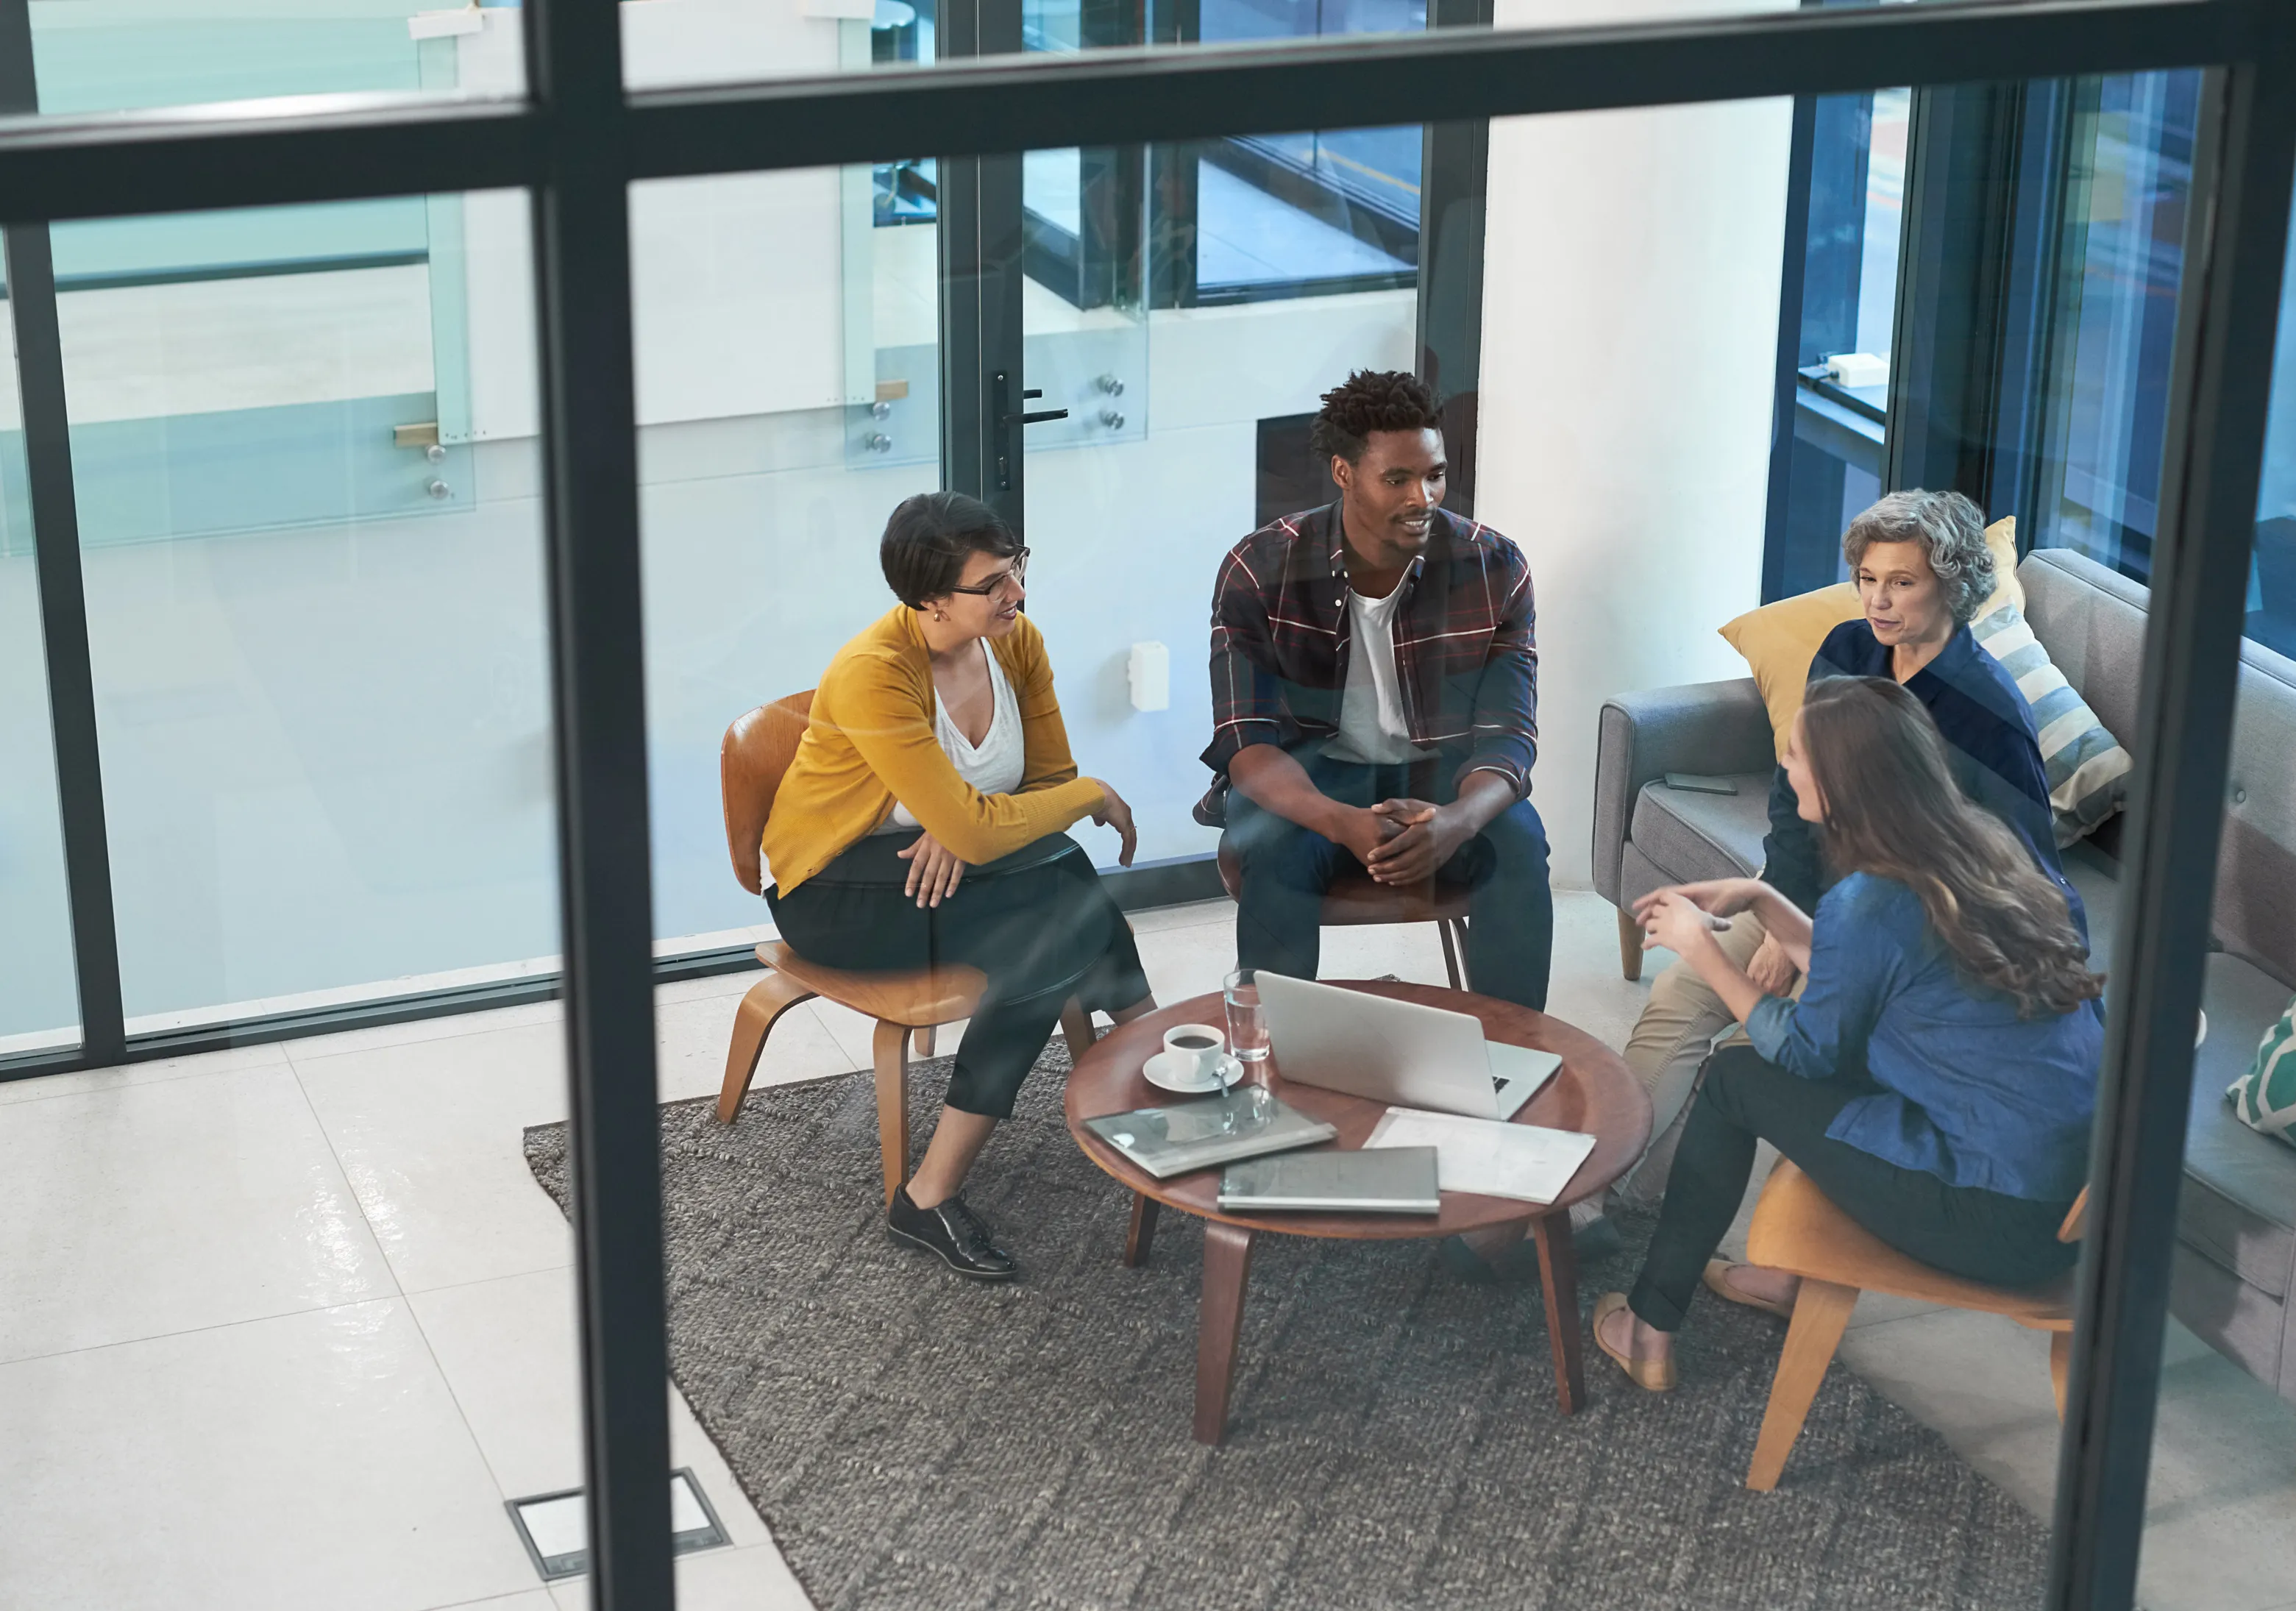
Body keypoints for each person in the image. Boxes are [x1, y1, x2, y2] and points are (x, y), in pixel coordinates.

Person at [1592, 673, 2103, 1391]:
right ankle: (1780, 1280)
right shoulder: (1979, 847)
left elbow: (1805, 1053)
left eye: (1795, 754)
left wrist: (1701, 948)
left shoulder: (1870, 899)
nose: (1785, 766)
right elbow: (1867, 982)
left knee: (1733, 1079)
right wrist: (1763, 900)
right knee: (1784, 1070)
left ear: (1837, 784)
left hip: (1996, 1217)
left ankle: (1649, 1328)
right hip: (2075, 1198)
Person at [1610, 488, 2080, 1217]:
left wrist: (1819, 948)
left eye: (1902, 582)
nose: (1878, 601)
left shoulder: (1990, 720)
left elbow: (2024, 875)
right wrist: (1782, 914)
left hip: (1901, 941)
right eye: (1867, 579)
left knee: (1765, 1049)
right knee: (1680, 998)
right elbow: (1793, 795)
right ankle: (1601, 1194)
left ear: (1951, 584)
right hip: (1808, 893)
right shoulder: (1849, 649)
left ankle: (1685, 1213)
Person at [761, 491, 1155, 1284]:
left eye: (1016, 570)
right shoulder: (874, 672)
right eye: (993, 584)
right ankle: (1157, 1062)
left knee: (1052, 897)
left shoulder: (1016, 643)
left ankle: (939, 1185)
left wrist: (967, 822)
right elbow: (1060, 799)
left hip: (950, 864)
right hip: (836, 889)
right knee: (1048, 918)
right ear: (929, 598)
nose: (1015, 594)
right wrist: (1065, 803)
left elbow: (1043, 781)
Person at [1198, 369, 1552, 1011]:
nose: (1424, 496)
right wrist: (1341, 823)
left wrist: (1456, 822)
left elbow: (1510, 733)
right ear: (1343, 473)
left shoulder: (1495, 567)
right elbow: (1244, 742)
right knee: (1271, 845)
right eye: (1397, 479)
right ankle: (1278, 1050)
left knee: (1518, 842)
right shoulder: (1260, 568)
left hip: (1443, 777)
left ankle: (1513, 1049)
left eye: (1435, 474)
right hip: (1310, 779)